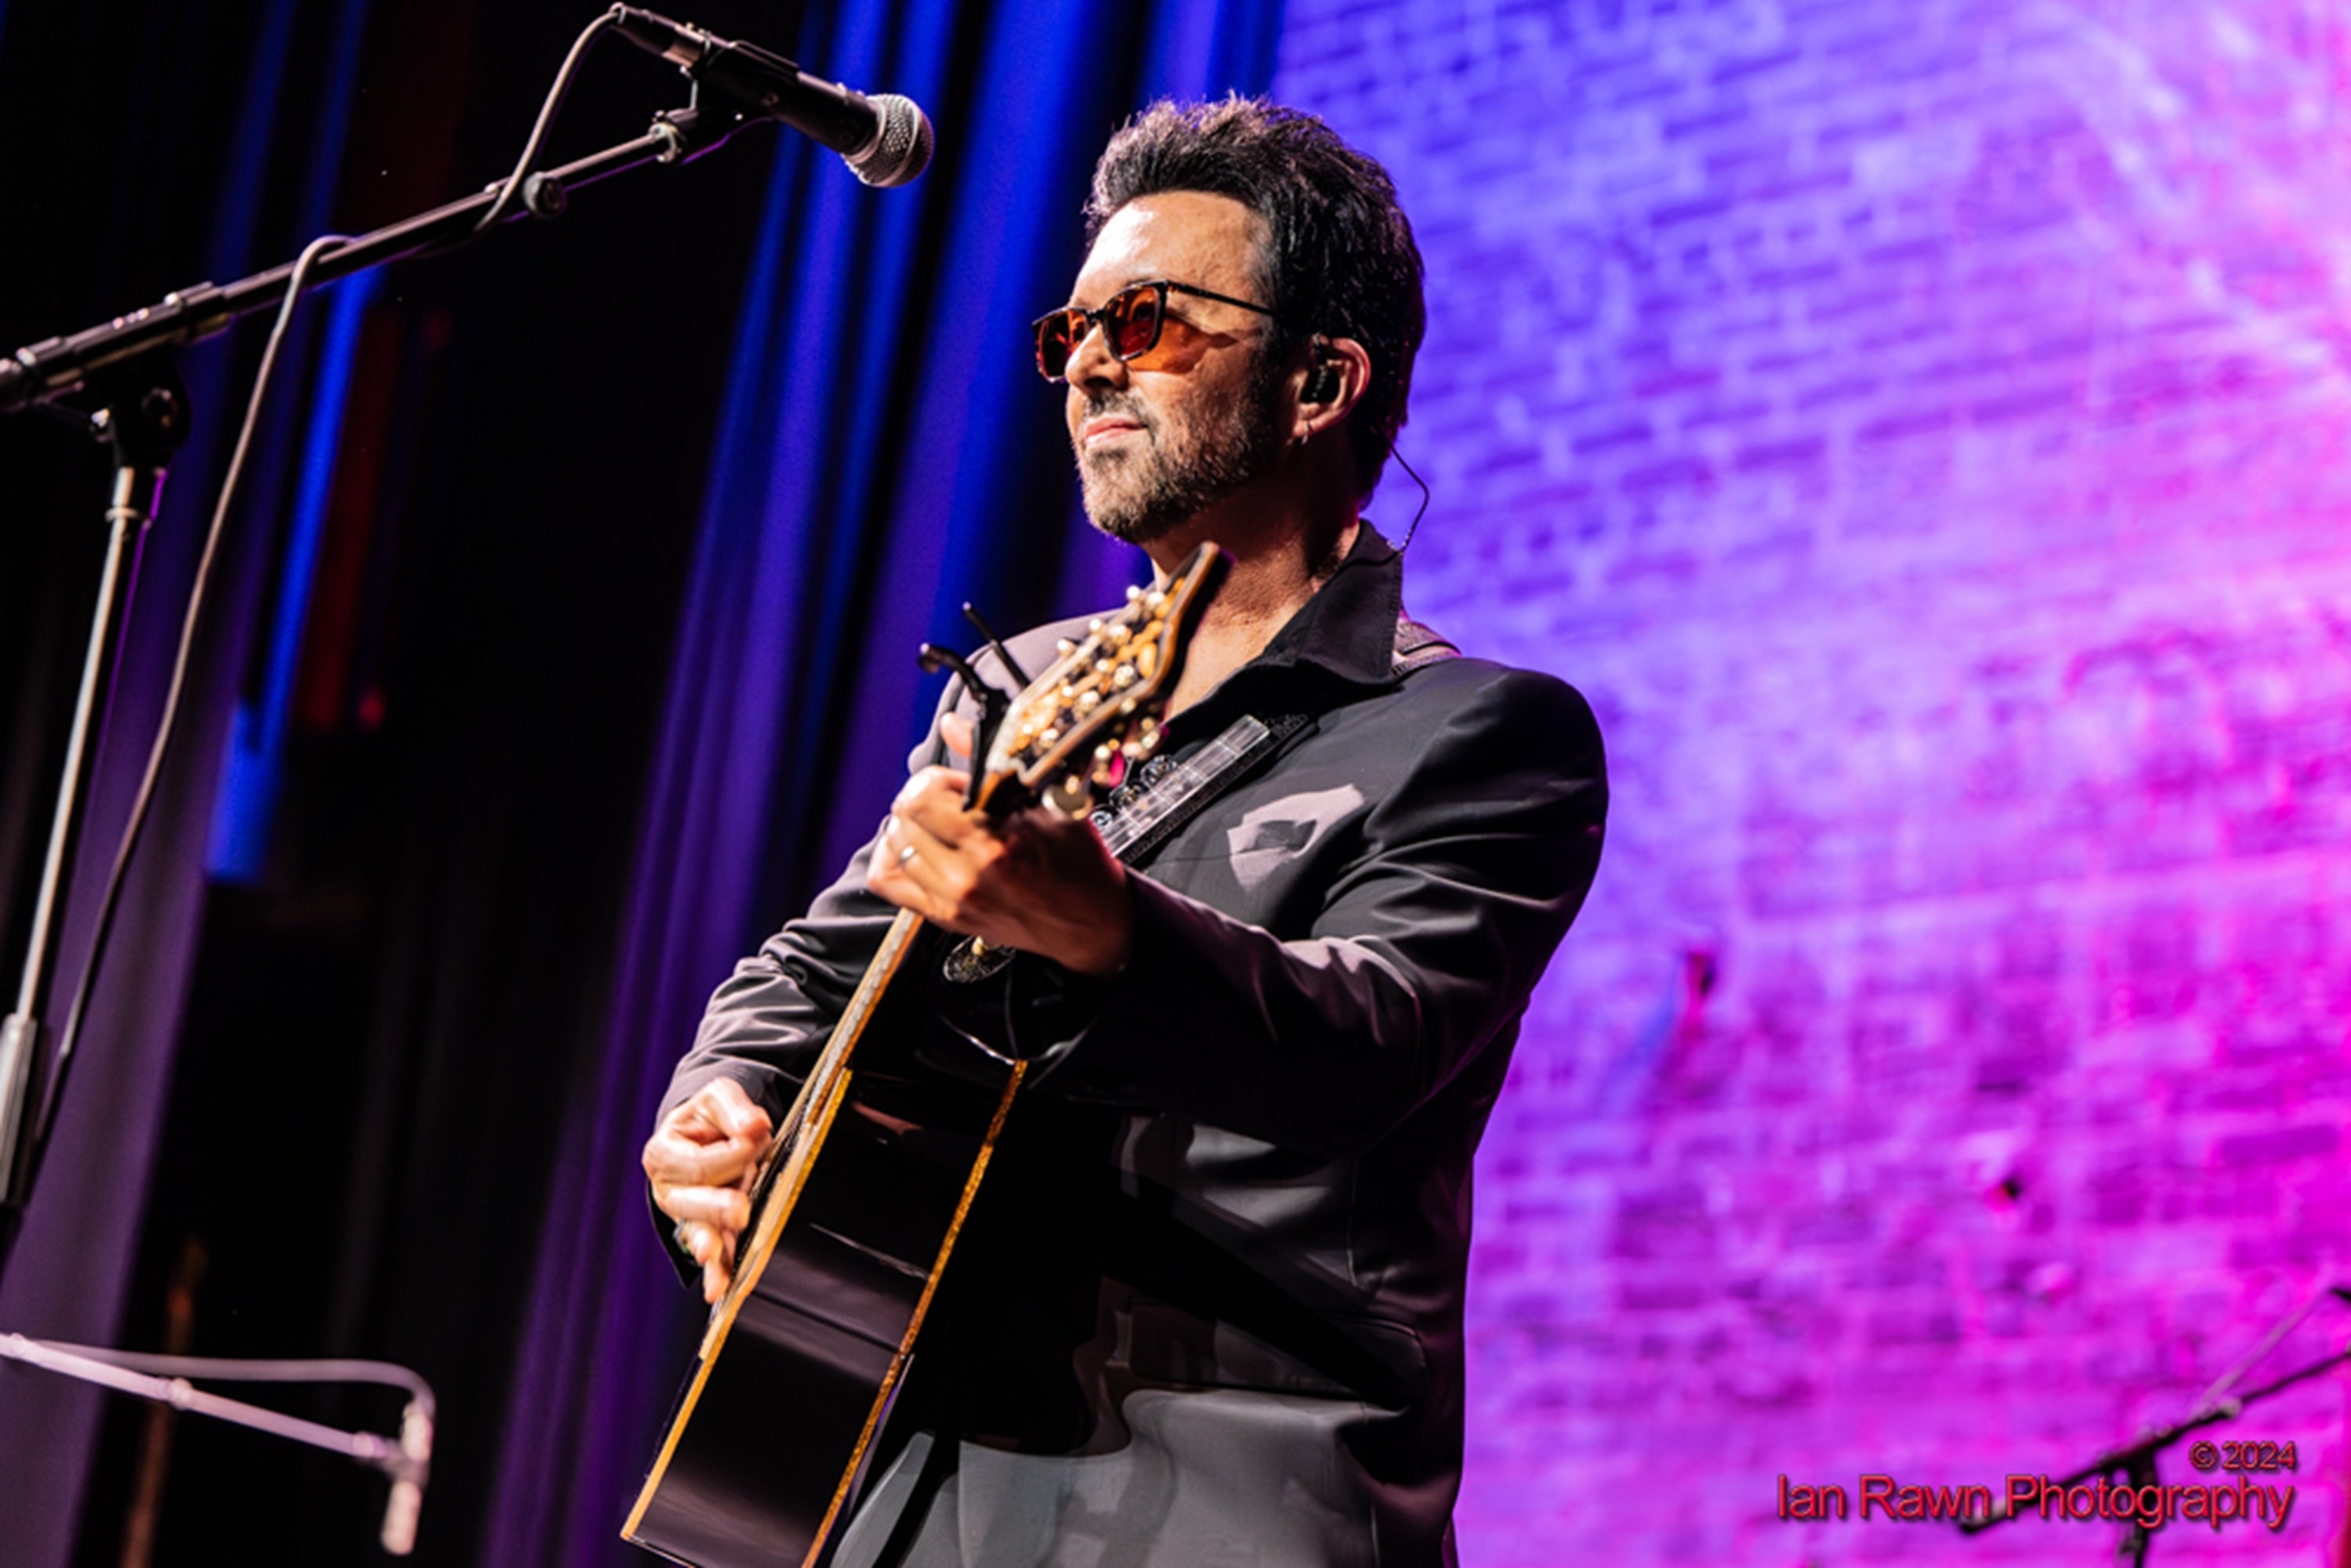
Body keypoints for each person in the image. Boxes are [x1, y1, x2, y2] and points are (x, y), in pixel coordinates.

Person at [640, 98, 1607, 1567]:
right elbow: (814, 969)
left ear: (1319, 381)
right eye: (1072, 330)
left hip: (1226, 1502)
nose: (1090, 359)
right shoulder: (1018, 688)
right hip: (887, 1490)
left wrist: (1109, 934)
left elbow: (1366, 1042)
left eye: (1146, 320)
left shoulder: (1483, 735)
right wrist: (722, 1099)